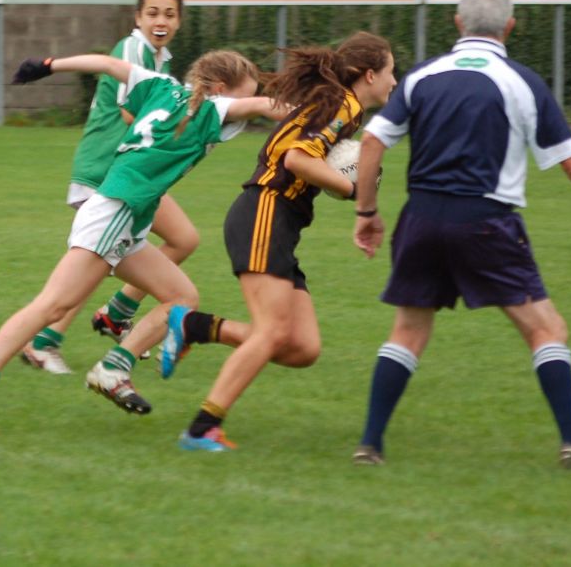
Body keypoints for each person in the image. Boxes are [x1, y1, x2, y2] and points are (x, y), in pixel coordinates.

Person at [350, 0, 571, 472]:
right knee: (546, 328)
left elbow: (371, 144)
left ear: (458, 23)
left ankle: (369, 445)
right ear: (510, 26)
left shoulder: (422, 78)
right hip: (486, 222)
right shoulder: (521, 82)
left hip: (421, 220)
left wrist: (367, 214)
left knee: (409, 330)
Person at [0, 49, 292, 434]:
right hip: (116, 212)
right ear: (220, 88)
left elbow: (108, 65)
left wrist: (46, 65)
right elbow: (267, 106)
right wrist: (327, 119)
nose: (242, 106)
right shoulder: (212, 108)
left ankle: (112, 370)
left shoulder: (161, 86)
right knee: (52, 305)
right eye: (239, 96)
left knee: (182, 299)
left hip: (127, 216)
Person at [161, 34, 398, 452]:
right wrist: (350, 188)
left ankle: (193, 325)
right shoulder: (345, 104)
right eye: (391, 71)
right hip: (264, 213)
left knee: (302, 348)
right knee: (271, 332)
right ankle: (201, 429)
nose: (395, 82)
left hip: (279, 223)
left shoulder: (341, 104)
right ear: (370, 74)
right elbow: (297, 160)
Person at [22, 0, 197, 375]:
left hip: (130, 173)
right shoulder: (134, 50)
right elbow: (129, 115)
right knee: (94, 263)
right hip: (107, 169)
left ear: (179, 21)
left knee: (183, 239)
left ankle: (116, 314)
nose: (161, 21)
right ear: (137, 18)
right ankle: (44, 343)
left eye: (169, 14)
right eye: (152, 13)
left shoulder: (158, 58)